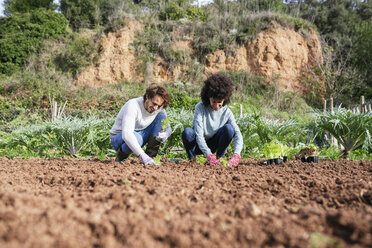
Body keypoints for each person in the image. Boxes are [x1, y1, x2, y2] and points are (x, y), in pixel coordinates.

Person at [182, 73, 243, 166]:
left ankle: (219, 158)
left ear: (225, 99)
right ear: (208, 96)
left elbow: (237, 133)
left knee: (229, 129)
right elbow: (199, 134)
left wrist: (237, 154)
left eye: (220, 102)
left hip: (214, 144)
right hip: (198, 145)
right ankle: (192, 159)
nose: (216, 106)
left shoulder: (227, 112)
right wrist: (209, 155)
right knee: (187, 132)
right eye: (213, 101)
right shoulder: (200, 107)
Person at [110, 84, 172, 165]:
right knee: (136, 138)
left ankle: (150, 158)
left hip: (141, 134)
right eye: (154, 103)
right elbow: (127, 134)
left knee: (161, 117)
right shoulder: (133, 105)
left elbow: (169, 128)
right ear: (147, 96)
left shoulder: (158, 109)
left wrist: (166, 134)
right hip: (119, 137)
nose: (156, 108)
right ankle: (121, 157)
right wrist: (142, 154)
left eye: (159, 106)